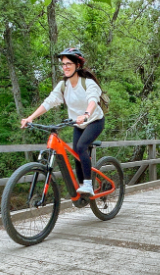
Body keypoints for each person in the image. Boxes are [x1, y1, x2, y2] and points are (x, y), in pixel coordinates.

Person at [20, 48, 105, 195]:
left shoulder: (87, 83)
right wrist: (30, 117)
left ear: (77, 65)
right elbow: (49, 102)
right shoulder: (63, 86)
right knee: (76, 151)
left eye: (69, 63)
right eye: (63, 64)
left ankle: (88, 184)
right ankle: (81, 188)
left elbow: (93, 100)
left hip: (94, 120)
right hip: (77, 124)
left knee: (81, 147)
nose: (65, 67)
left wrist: (86, 114)